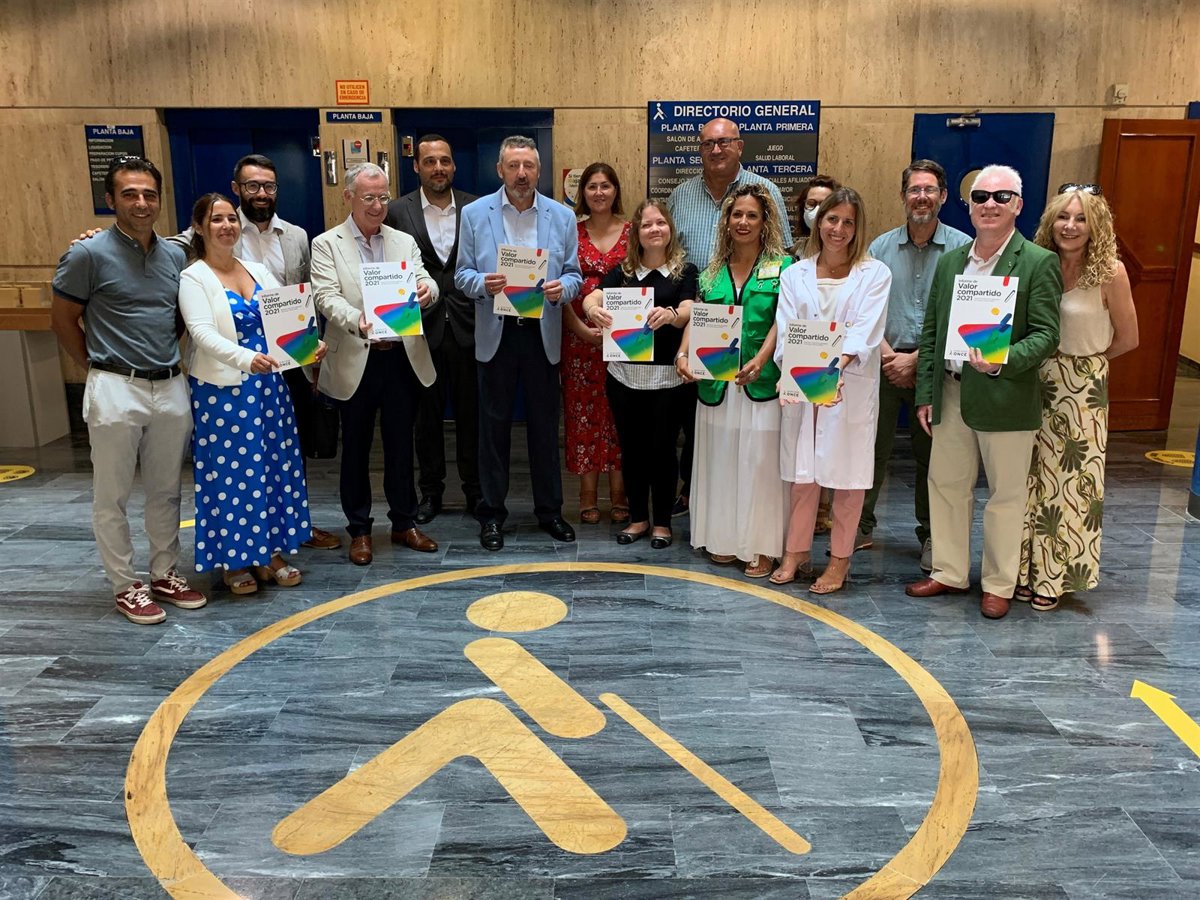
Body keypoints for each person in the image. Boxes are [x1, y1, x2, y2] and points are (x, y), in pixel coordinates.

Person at [51, 156, 206, 624]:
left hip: (170, 384)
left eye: (149, 194)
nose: (141, 203)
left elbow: (179, 317)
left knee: (166, 490)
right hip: (115, 385)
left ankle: (164, 573)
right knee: (112, 494)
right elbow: (63, 320)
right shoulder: (87, 254)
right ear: (110, 200)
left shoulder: (175, 255)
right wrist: (97, 368)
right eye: (130, 194)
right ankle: (125, 584)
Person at [906, 164, 1062, 620]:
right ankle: (949, 571)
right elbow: (933, 332)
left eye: (1000, 196)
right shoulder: (952, 261)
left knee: (1006, 496)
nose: (989, 204)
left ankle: (998, 583)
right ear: (969, 206)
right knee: (946, 486)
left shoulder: (1038, 262)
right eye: (980, 197)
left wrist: (1003, 358)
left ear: (1018, 204)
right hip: (951, 392)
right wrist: (926, 392)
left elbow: (1047, 334)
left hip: (1005, 395)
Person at [178, 193, 323, 594]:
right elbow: (201, 333)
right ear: (199, 228)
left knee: (272, 470)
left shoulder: (257, 269)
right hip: (223, 392)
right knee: (233, 475)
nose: (226, 226)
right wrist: (246, 358)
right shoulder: (194, 277)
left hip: (269, 389)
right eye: (216, 219)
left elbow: (286, 318)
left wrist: (309, 345)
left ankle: (270, 553)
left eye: (230, 219)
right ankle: (236, 560)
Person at [455, 135, 583, 551]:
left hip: (542, 334)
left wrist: (561, 290)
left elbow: (574, 275)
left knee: (545, 429)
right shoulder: (475, 214)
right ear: (500, 170)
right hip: (497, 334)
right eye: (513, 166)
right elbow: (462, 275)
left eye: (528, 166)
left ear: (539, 170)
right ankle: (491, 514)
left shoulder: (562, 216)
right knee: (492, 431)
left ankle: (550, 512)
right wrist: (484, 284)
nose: (522, 174)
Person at [311, 162, 440, 566]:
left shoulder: (403, 240)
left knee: (402, 445)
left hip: (401, 358)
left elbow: (426, 278)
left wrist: (428, 290)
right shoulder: (326, 244)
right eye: (368, 197)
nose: (377, 205)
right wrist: (357, 320)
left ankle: (404, 522)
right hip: (356, 358)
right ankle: (360, 530)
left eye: (383, 197)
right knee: (356, 448)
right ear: (348, 197)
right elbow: (325, 296)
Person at [1017, 184, 1139, 610]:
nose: (1070, 226)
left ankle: (1053, 579)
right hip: (1035, 379)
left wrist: (1087, 363)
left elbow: (1129, 338)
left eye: (1081, 218)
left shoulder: (1110, 272)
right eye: (1063, 217)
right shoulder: (1039, 264)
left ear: (1095, 225)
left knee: (1070, 483)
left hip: (1082, 388)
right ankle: (1022, 571)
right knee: (1029, 478)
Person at [667, 117, 795, 520]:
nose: (716, 149)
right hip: (707, 354)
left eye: (724, 142)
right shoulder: (681, 198)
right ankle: (709, 516)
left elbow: (786, 303)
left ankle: (755, 529)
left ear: (740, 146)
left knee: (758, 456)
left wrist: (763, 356)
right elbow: (694, 297)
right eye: (708, 143)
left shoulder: (767, 196)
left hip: (760, 367)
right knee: (709, 445)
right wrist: (683, 352)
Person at [773, 187, 892, 593]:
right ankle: (796, 551)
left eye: (848, 222)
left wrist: (832, 369)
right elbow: (787, 330)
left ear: (858, 228)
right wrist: (795, 372)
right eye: (831, 219)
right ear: (818, 221)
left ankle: (840, 560)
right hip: (805, 385)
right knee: (803, 476)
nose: (838, 229)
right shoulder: (795, 274)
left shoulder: (875, 273)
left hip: (849, 386)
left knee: (848, 479)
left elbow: (866, 331)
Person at [675, 183, 792, 578]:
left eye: (751, 215)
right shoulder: (710, 273)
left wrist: (762, 358)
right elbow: (699, 317)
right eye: (736, 214)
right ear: (726, 221)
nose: (743, 222)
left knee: (760, 464)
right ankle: (723, 539)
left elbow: (783, 319)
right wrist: (682, 354)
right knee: (722, 460)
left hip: (760, 382)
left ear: (765, 221)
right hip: (717, 384)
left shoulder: (783, 268)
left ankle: (761, 546)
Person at [859, 161, 971, 572]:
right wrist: (891, 356)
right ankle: (859, 526)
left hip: (937, 367)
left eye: (929, 190)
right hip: (883, 362)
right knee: (871, 451)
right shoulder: (879, 248)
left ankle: (931, 536)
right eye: (914, 190)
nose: (921, 197)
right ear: (903, 196)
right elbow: (864, 309)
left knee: (934, 457)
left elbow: (965, 317)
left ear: (943, 196)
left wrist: (919, 358)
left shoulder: (964, 249)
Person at [582, 200, 697, 547]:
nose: (654, 229)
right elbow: (593, 297)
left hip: (668, 380)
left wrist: (672, 315)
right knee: (632, 451)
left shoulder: (685, 271)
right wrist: (593, 310)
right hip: (624, 379)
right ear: (637, 232)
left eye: (660, 222)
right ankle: (637, 519)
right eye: (646, 225)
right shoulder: (624, 271)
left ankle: (662, 522)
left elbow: (690, 308)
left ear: (670, 228)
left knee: (663, 450)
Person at [384, 135, 481, 523]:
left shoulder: (476, 208)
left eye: (444, 160)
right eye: (429, 161)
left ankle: (475, 491)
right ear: (416, 166)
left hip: (470, 327)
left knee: (472, 418)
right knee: (426, 419)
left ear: (453, 165)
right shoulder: (395, 211)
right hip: (419, 329)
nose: (438, 168)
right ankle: (431, 492)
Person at [561, 162, 629, 525]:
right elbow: (559, 288)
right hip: (578, 342)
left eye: (605, 186)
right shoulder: (569, 232)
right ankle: (587, 495)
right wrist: (579, 329)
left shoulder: (633, 232)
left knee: (620, 417)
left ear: (615, 190)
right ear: (582, 193)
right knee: (583, 417)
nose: (599, 192)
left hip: (625, 343)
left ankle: (620, 494)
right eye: (592, 186)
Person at [790, 174, 841, 534]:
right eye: (812, 204)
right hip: (798, 361)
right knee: (800, 444)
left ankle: (825, 509)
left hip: (838, 362)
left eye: (826, 205)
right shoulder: (788, 256)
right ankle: (800, 516)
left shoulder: (855, 260)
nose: (818, 211)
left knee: (831, 443)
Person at [792, 174, 840, 258]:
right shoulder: (798, 250)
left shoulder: (847, 249)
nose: (817, 210)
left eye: (824, 204)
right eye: (811, 203)